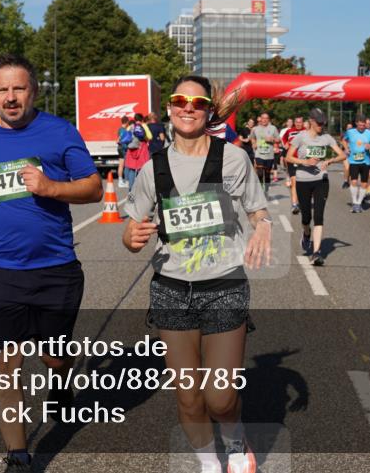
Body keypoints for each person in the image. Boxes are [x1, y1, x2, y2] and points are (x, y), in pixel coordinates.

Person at [0, 54, 102, 471]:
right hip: (0, 271)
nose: (11, 97)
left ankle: (61, 380)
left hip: (56, 269)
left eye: (19, 88)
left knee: (54, 356)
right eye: (2, 90)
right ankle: (18, 455)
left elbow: (93, 188)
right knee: (3, 363)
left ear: (33, 91)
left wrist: (51, 187)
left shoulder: (59, 131)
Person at [122, 74, 271, 473]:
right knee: (189, 398)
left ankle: (235, 440)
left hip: (224, 285)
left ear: (208, 110)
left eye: (198, 103)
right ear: (169, 108)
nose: (188, 108)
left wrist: (264, 226)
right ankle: (209, 463)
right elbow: (131, 228)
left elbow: (258, 209)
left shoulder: (233, 158)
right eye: (180, 101)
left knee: (219, 398)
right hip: (171, 289)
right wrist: (131, 238)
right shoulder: (153, 168)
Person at [287, 108, 345, 267]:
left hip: (321, 180)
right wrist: (305, 162)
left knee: (319, 216)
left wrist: (330, 161)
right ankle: (306, 233)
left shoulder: (327, 138)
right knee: (306, 217)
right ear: (311, 121)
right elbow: (288, 157)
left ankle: (316, 253)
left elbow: (343, 155)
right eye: (319, 123)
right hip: (303, 180)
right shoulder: (301, 137)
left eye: (323, 123)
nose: (321, 125)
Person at [343, 115, 370, 213]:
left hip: (366, 161)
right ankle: (355, 203)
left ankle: (358, 203)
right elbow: (344, 140)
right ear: (356, 124)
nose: (362, 127)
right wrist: (346, 148)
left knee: (364, 183)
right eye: (360, 125)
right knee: (353, 181)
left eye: (363, 125)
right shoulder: (350, 132)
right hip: (353, 160)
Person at [281, 116, 305, 215]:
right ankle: (295, 204)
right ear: (294, 123)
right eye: (297, 122)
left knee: (303, 183)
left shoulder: (306, 131)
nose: (298, 124)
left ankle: (302, 201)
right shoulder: (289, 131)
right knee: (294, 183)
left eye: (300, 122)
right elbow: (283, 139)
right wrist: (285, 144)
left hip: (304, 160)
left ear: (303, 123)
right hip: (292, 159)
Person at [251, 112, 279, 195]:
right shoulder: (255, 129)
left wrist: (272, 139)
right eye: (263, 118)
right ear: (260, 119)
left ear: (268, 119)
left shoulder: (273, 128)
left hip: (269, 155)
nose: (264, 120)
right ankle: (260, 191)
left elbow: (278, 140)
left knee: (267, 175)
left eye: (266, 118)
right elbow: (252, 137)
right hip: (259, 154)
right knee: (259, 173)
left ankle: (266, 190)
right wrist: (254, 143)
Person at [124, 112, 151, 191]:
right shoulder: (143, 126)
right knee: (141, 169)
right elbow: (150, 136)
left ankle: (131, 189)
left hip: (132, 149)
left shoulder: (130, 126)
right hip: (142, 148)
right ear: (142, 119)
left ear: (135, 119)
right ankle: (141, 188)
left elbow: (126, 136)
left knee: (132, 169)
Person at [116, 115, 133, 188]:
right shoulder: (123, 130)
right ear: (126, 122)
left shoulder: (120, 129)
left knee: (121, 165)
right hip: (122, 149)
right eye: (128, 122)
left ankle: (121, 181)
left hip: (121, 148)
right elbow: (119, 140)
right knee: (122, 165)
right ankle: (121, 181)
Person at [340, 122, 353, 189]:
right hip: (345, 152)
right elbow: (341, 141)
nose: (349, 128)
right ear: (346, 128)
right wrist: (346, 147)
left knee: (351, 168)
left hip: (353, 153)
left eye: (351, 127)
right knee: (347, 167)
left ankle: (349, 181)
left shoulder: (354, 134)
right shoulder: (344, 134)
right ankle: (345, 181)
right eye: (348, 127)